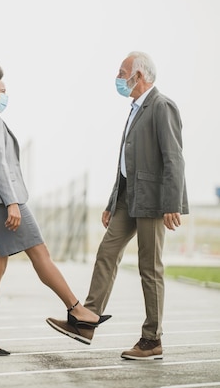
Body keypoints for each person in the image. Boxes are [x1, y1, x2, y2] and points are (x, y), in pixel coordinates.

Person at [46, 51, 188, 361]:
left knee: (149, 268)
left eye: (122, 72)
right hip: (128, 197)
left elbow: (173, 157)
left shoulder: (161, 106)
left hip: (152, 200)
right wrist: (113, 201)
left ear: (139, 76)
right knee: (106, 253)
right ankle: (87, 319)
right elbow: (126, 163)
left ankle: (152, 340)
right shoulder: (135, 109)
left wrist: (172, 203)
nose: (118, 77)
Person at [0, 64, 110, 356]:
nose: (5, 95)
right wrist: (12, 202)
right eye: (2, 91)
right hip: (3, 201)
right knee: (40, 253)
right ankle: (76, 310)